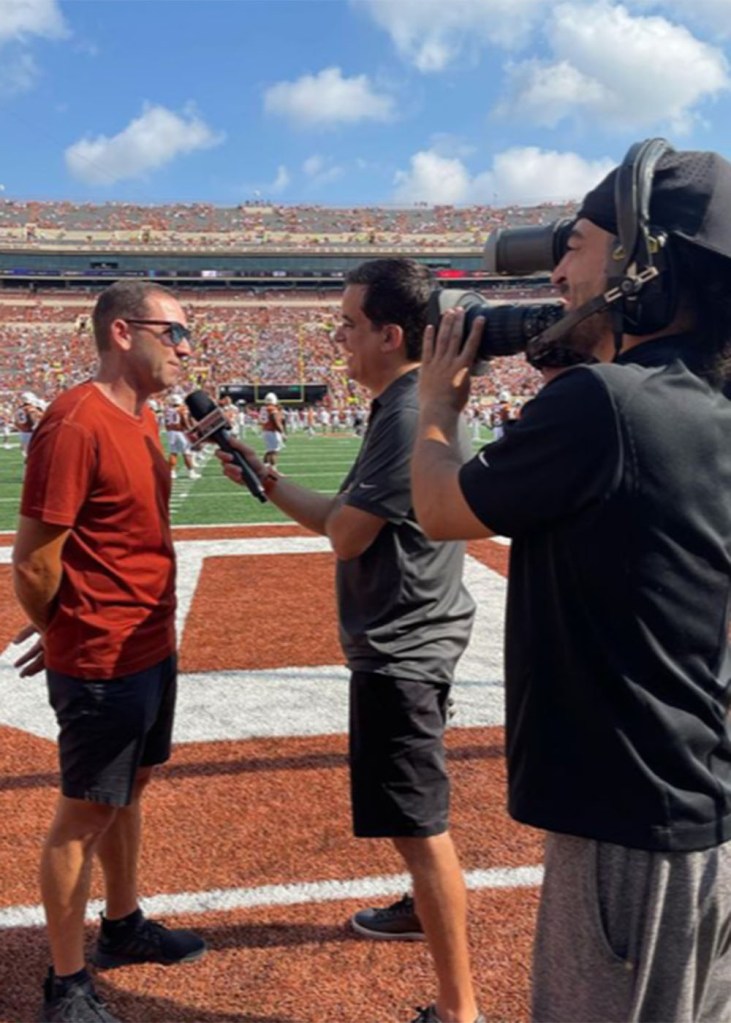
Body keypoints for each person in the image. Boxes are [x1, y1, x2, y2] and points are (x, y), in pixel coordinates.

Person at [411, 142, 731, 1023]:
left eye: (577, 244)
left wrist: (438, 401)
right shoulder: (692, 399)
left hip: (626, 819)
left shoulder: (605, 405)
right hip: (688, 801)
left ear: (641, 259)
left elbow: (442, 507)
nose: (556, 271)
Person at [218, 258, 483, 1023]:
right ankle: (418, 911)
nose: (337, 338)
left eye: (346, 323)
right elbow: (345, 516)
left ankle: (459, 1009)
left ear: (389, 334)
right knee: (413, 820)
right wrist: (265, 484)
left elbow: (345, 533)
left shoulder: (403, 410)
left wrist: (273, 490)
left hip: (403, 645)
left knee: (418, 825)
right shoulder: (399, 404)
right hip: (412, 635)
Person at [12, 280, 206, 1023]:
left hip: (151, 641)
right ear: (124, 333)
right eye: (176, 333)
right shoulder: (75, 420)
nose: (187, 348)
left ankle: (121, 924)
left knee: (131, 785)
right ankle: (66, 984)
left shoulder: (144, 415)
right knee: (84, 812)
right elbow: (34, 559)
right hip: (103, 653)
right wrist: (66, 632)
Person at [164, 391, 200, 480]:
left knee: (173, 452)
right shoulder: (181, 409)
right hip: (179, 432)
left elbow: (166, 422)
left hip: (170, 432)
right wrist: (190, 429)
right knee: (186, 452)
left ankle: (172, 472)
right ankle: (191, 472)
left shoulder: (167, 410)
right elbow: (184, 420)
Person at [14, 389, 44, 459]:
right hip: (30, 433)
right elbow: (33, 421)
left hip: (23, 434)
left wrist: (22, 429)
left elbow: (16, 422)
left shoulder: (19, 409)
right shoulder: (30, 409)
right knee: (37, 456)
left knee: (28, 457)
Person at [260, 390, 286, 468]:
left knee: (269, 451)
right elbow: (276, 420)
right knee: (274, 451)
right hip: (271, 431)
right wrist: (282, 432)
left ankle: (264, 467)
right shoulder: (272, 409)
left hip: (265, 431)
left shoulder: (264, 408)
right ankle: (274, 469)